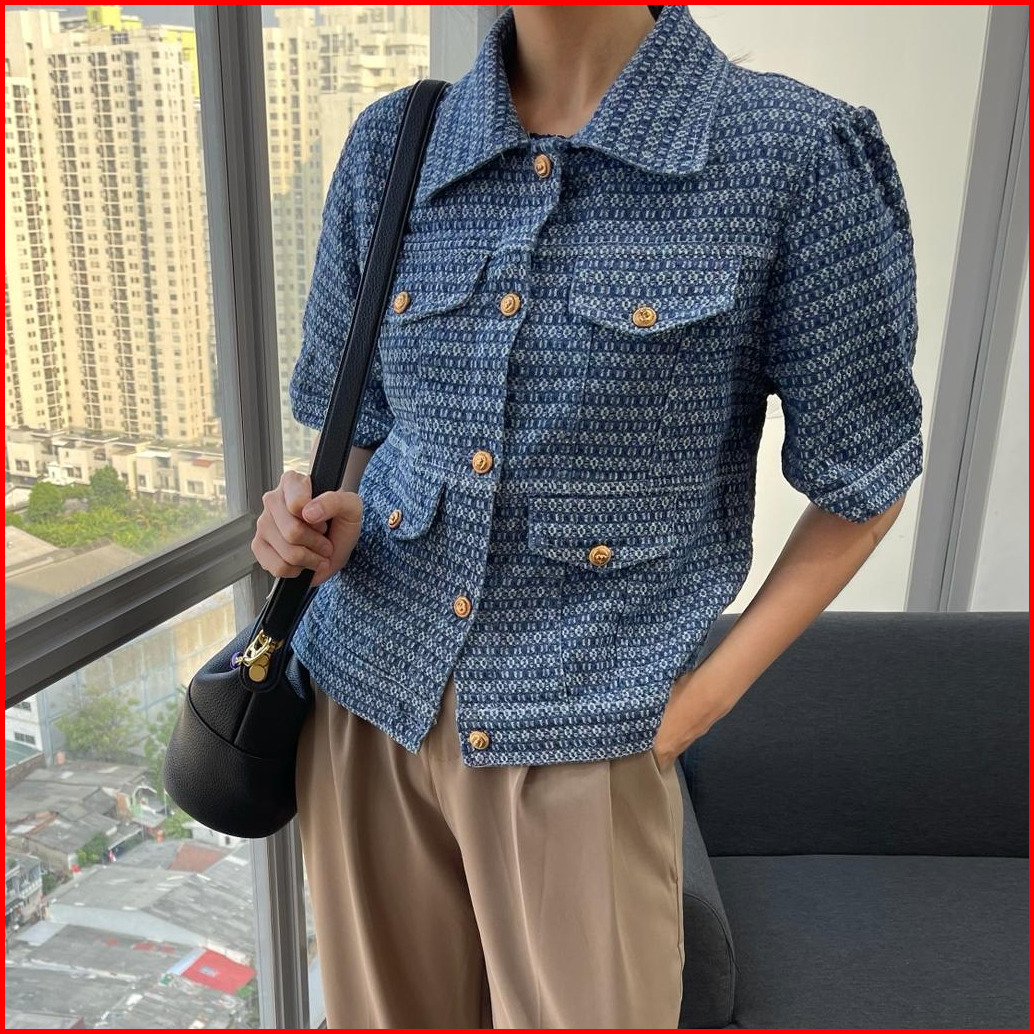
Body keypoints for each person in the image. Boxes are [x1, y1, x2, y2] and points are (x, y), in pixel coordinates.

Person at [252, 5, 924, 1028]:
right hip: (362, 710)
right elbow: (362, 434)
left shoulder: (794, 155)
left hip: (586, 736)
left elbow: (864, 480)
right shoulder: (394, 145)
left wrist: (696, 704)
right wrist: (304, 517)